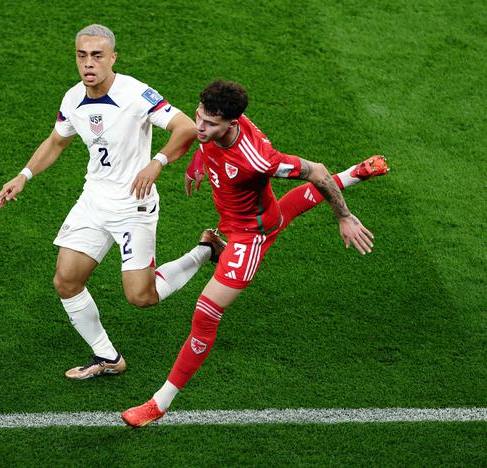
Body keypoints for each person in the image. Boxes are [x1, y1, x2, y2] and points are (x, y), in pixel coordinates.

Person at [121, 80, 389, 427]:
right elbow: (206, 135)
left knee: (205, 314)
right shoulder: (216, 127)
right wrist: (199, 160)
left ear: (232, 124)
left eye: (210, 124)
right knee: (283, 212)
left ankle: (159, 403)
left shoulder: (257, 158)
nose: (198, 127)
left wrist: (344, 216)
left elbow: (316, 171)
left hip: (250, 237)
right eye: (199, 116)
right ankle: (355, 173)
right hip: (237, 219)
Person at [0, 25, 225, 380]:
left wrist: (157, 162)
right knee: (65, 280)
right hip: (94, 201)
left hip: (134, 206)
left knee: (141, 297)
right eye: (82, 55)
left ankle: (205, 250)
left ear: (112, 58)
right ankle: (107, 356)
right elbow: (56, 142)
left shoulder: (136, 94)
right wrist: (23, 175)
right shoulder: (72, 99)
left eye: (97, 56)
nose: (89, 64)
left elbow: (184, 128)